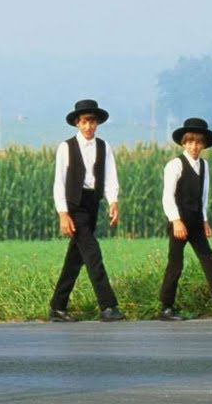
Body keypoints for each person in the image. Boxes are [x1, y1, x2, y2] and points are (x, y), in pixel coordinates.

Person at [157, 117, 212, 321]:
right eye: (190, 142)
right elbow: (167, 196)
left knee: (208, 259)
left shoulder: (204, 166)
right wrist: (176, 221)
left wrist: (204, 219)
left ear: (203, 144)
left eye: (198, 142)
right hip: (179, 220)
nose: (194, 146)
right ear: (183, 143)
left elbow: (203, 196)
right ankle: (165, 307)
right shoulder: (175, 165)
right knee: (175, 264)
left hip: (196, 220)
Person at [49, 99, 125, 323]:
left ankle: (57, 307)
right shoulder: (66, 147)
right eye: (84, 122)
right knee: (93, 254)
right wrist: (63, 213)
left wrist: (113, 201)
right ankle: (108, 306)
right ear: (77, 124)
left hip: (93, 203)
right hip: (74, 205)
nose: (88, 126)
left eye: (92, 122)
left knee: (75, 259)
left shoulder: (104, 146)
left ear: (97, 123)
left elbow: (111, 177)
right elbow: (58, 182)